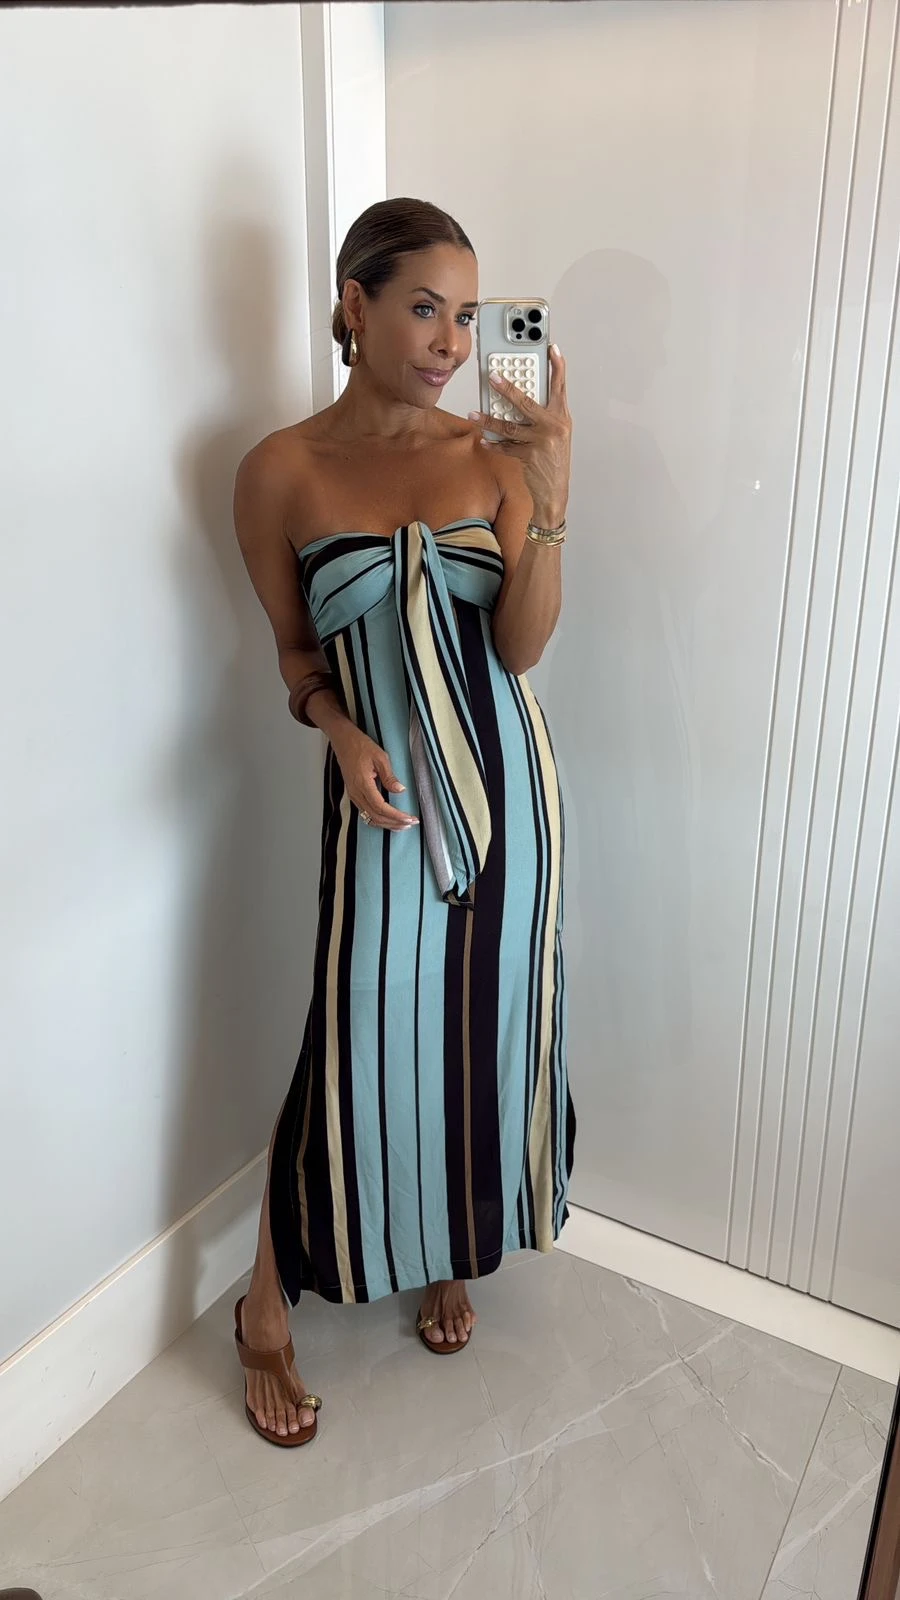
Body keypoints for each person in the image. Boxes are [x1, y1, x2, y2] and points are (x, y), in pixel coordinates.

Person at [231, 197, 576, 1447]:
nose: (450, 342)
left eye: (468, 315)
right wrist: (336, 726)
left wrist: (551, 491)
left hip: (510, 798)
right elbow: (294, 652)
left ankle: (444, 1246)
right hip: (381, 804)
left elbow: (520, 648)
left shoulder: (493, 451)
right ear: (353, 303)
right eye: (424, 307)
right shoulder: (280, 471)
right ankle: (264, 1301)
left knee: (482, 1029)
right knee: (353, 1034)